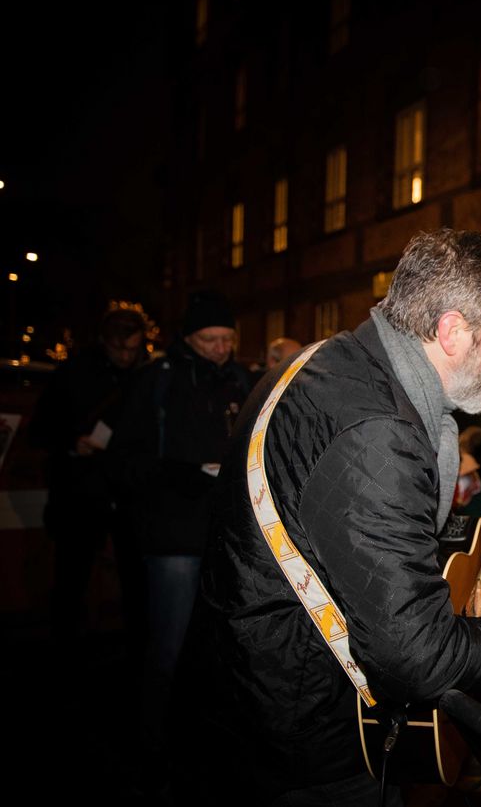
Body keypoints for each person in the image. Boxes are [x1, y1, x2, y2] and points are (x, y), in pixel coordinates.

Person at [176, 229, 481, 805]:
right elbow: (413, 655)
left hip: (246, 697)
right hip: (306, 732)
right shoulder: (378, 430)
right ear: (451, 330)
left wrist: (470, 534)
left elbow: (344, 533)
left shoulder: (328, 362)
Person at [107, 289, 252, 793]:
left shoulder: (238, 378)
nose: (220, 347)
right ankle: (152, 742)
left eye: (227, 339)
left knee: (213, 645)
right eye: (210, 339)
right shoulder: (159, 381)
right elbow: (127, 459)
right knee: (166, 643)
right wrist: (184, 475)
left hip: (222, 533)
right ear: (189, 339)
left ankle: (200, 737)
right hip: (172, 532)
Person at [29, 305, 149, 657]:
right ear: (104, 343)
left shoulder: (146, 374)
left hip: (128, 491)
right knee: (72, 574)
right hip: (80, 490)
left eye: (133, 348)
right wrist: (71, 443)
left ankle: (136, 650)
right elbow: (41, 429)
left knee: (134, 577)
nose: (126, 356)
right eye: (119, 349)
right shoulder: (74, 374)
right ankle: (65, 647)